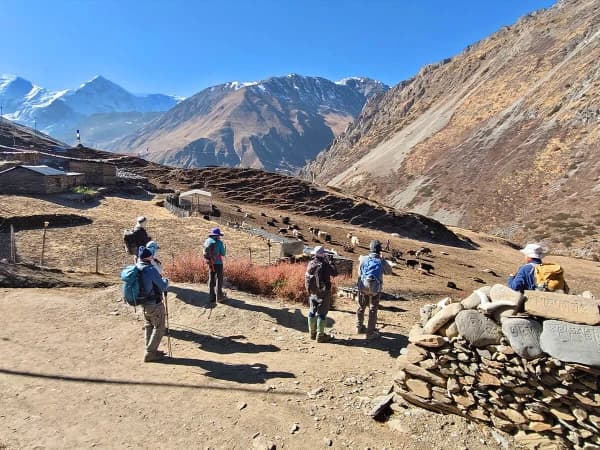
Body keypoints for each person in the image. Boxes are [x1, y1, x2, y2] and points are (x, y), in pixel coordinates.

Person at [137, 246, 169, 362]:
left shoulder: (137, 267)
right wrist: (166, 281)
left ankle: (150, 349)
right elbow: (163, 286)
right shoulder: (150, 270)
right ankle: (150, 353)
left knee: (149, 325)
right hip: (154, 303)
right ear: (148, 257)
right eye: (151, 255)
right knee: (159, 327)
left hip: (143, 302)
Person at [356, 240, 393, 340]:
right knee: (373, 310)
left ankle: (359, 327)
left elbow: (359, 273)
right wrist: (383, 260)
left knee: (361, 307)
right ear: (379, 250)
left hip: (363, 287)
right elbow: (389, 272)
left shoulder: (363, 259)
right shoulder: (381, 261)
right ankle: (370, 333)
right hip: (376, 289)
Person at [305, 246, 338, 343]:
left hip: (312, 291)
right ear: (323, 254)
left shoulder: (311, 263)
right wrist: (331, 262)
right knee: (322, 313)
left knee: (312, 311)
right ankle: (320, 336)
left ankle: (312, 333)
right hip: (323, 292)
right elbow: (335, 273)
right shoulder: (324, 264)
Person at [204, 227, 227, 304]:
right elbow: (223, 254)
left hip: (210, 262)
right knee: (219, 279)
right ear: (217, 235)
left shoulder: (207, 241)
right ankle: (219, 297)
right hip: (218, 263)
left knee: (211, 279)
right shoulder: (219, 242)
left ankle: (211, 297)